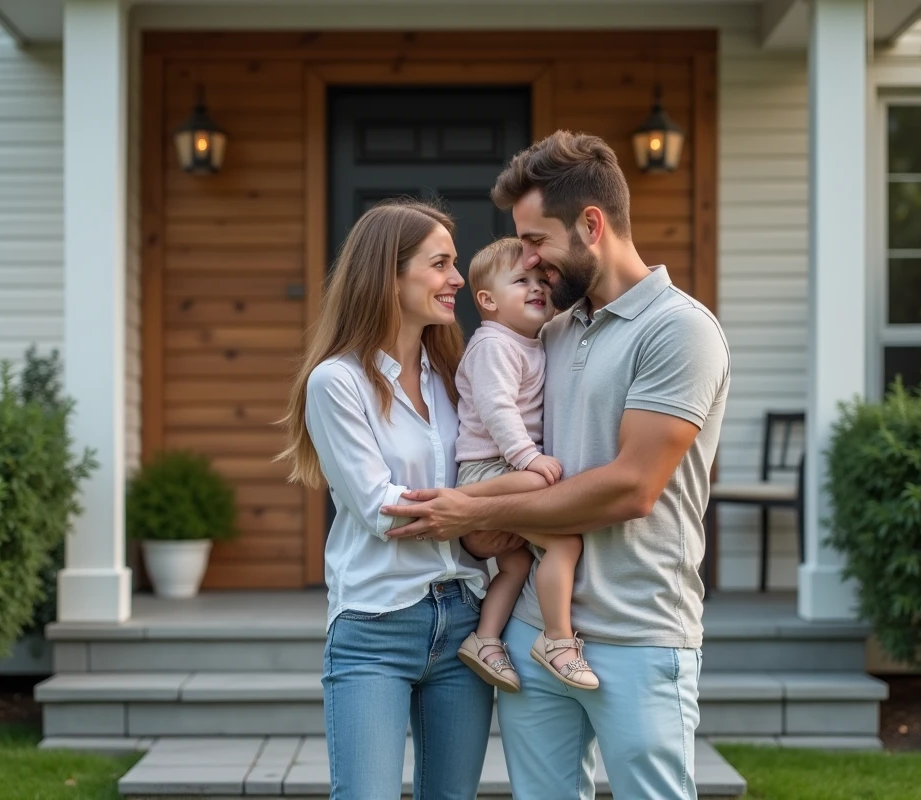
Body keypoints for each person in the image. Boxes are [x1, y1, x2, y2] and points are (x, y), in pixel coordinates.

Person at [381, 131, 732, 800]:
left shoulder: (679, 330)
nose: (529, 259)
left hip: (639, 633)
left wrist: (473, 510)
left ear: (591, 225)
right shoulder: (550, 330)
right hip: (534, 635)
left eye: (537, 240)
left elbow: (632, 488)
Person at [278, 199, 493, 800]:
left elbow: (488, 472)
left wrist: (475, 505)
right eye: (440, 264)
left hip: (466, 620)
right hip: (376, 624)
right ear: (388, 276)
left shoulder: (456, 374)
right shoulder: (337, 382)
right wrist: (484, 510)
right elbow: (382, 509)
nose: (458, 279)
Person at [452, 236, 598, 693]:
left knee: (515, 565)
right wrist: (527, 458)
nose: (537, 287)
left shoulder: (532, 341)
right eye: (521, 281)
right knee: (563, 541)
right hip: (491, 467)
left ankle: (485, 638)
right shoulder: (494, 344)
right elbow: (496, 408)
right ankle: (557, 640)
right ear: (487, 301)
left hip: (505, 470)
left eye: (541, 279)